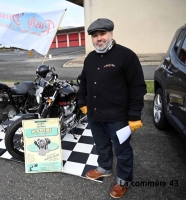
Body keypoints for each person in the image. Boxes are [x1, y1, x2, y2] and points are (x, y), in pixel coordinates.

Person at [77, 18, 147, 198]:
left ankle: (123, 180)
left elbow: (138, 87)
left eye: (102, 34)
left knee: (123, 151)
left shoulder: (126, 56)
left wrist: (134, 115)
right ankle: (104, 167)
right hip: (94, 115)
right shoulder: (90, 58)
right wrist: (82, 103)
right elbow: (84, 82)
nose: (99, 38)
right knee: (101, 145)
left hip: (118, 117)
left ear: (111, 34)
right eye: (95, 36)